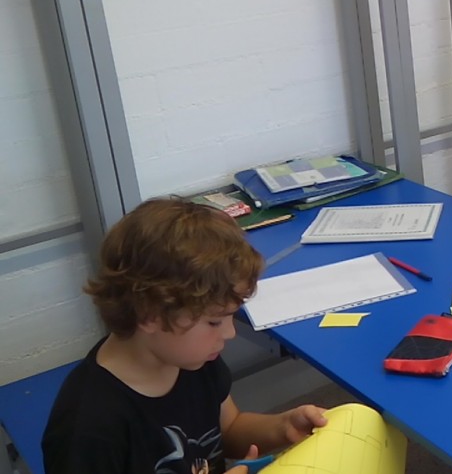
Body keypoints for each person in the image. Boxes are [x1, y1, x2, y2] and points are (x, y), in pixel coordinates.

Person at [42, 199, 329, 473]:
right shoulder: (87, 428)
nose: (230, 333)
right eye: (214, 321)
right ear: (150, 315)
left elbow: (230, 429)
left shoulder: (193, 360)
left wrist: (283, 427)